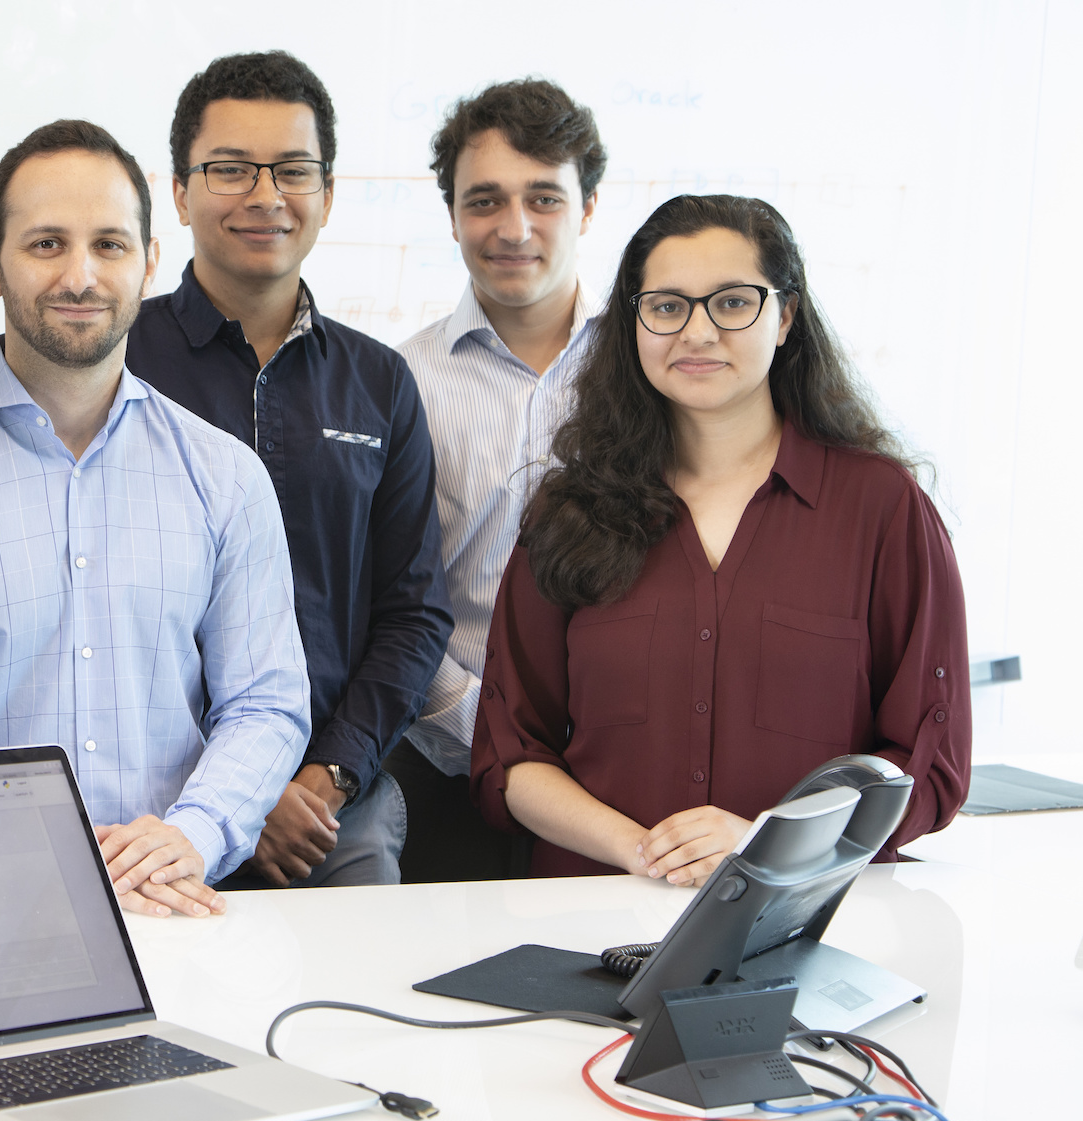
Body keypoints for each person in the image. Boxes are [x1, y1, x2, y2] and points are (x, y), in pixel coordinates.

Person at [0, 119, 311, 920]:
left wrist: (193, 832)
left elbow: (266, 701)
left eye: (110, 245)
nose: (80, 275)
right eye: (46, 244)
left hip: (172, 909)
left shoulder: (224, 478)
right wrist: (12, 866)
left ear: (151, 263)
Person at [471, 194, 971, 883]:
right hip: (590, 909)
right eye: (667, 306)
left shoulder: (883, 508)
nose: (697, 333)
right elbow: (512, 751)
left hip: (802, 921)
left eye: (733, 303)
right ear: (634, 323)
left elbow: (925, 762)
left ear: (786, 315)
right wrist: (645, 852)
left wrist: (767, 843)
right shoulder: (568, 510)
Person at [124, 51, 451, 888]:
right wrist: (236, 791)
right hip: (153, 802)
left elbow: (412, 614)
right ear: (181, 189)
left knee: (357, 1013)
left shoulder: (379, 383)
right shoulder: (118, 360)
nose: (266, 196)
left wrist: (325, 772)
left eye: (294, 171)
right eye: (231, 169)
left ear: (328, 194)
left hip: (331, 809)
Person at [391, 78, 606, 882]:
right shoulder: (398, 381)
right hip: (442, 768)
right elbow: (393, 598)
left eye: (544, 198)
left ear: (586, 208)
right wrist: (478, 722)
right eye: (484, 200)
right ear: (451, 214)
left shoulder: (655, 369)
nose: (514, 228)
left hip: (615, 776)